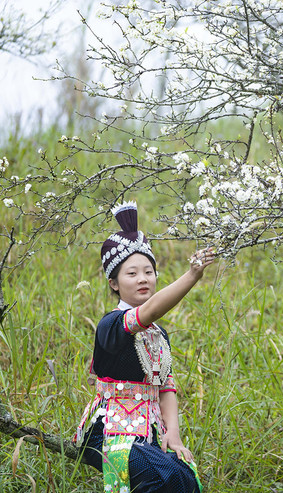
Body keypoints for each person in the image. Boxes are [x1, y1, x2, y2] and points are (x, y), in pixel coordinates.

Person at [74, 201, 215, 493]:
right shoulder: (111, 324)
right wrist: (191, 276)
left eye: (148, 272)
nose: (142, 279)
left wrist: (173, 436)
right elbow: (147, 312)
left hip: (147, 435)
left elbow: (166, 386)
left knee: (188, 478)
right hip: (110, 434)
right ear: (114, 283)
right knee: (167, 478)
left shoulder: (159, 333)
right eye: (132, 273)